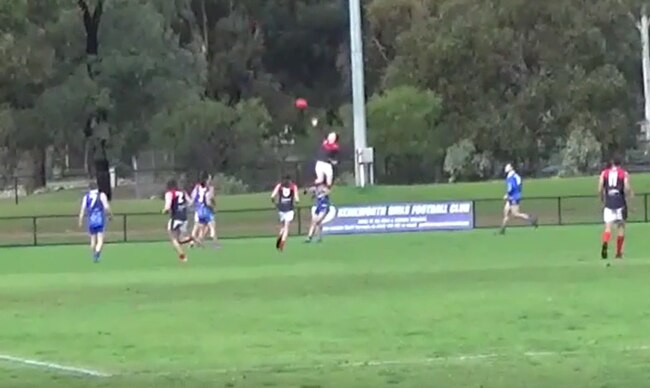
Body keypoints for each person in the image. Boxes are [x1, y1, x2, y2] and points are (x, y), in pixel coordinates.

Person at [599, 158, 632, 260]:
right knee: (621, 227)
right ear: (620, 164)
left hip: (609, 203)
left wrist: (602, 198)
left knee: (608, 228)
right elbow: (626, 187)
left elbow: (600, 187)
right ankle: (618, 252)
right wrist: (629, 195)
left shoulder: (604, 173)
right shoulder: (623, 173)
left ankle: (605, 244)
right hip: (620, 203)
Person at [499, 163, 538, 234]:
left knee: (515, 214)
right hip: (512, 197)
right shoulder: (512, 176)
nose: (506, 168)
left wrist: (507, 194)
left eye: (507, 166)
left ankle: (531, 219)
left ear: (511, 168)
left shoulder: (512, 177)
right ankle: (502, 230)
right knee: (506, 212)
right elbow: (518, 186)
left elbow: (512, 187)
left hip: (513, 197)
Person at [78, 182, 111, 263]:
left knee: (92, 239)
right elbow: (106, 207)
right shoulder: (101, 195)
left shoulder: (86, 197)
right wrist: (110, 215)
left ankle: (94, 253)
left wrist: (80, 220)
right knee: (100, 240)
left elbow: (82, 210)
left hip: (91, 221)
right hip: (100, 220)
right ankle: (97, 253)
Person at [163, 179, 193, 262]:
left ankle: (182, 256)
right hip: (184, 217)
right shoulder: (183, 192)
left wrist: (164, 211)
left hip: (175, 218)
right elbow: (190, 202)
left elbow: (168, 207)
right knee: (180, 239)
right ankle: (190, 239)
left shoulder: (169, 193)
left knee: (173, 238)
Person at [271, 175, 299, 251]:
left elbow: (272, 196)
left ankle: (279, 239)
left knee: (283, 226)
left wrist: (275, 204)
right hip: (289, 208)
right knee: (286, 227)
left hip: (281, 209)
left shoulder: (279, 186)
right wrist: (296, 203)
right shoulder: (293, 186)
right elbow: (297, 199)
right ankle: (282, 243)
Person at [190, 172, 219, 248]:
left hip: (199, 210)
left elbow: (193, 198)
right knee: (212, 227)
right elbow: (210, 199)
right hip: (206, 209)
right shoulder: (209, 188)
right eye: (209, 178)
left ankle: (198, 242)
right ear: (206, 179)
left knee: (201, 228)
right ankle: (215, 244)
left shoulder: (197, 187)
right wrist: (214, 206)